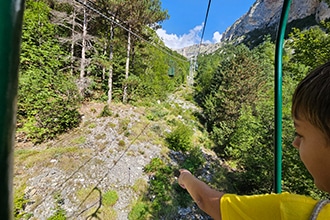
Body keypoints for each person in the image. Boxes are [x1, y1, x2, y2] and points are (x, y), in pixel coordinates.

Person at [178, 61, 330, 220]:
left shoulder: (290, 211)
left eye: (300, 134)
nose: (295, 143)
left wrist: (185, 177)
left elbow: (206, 201)